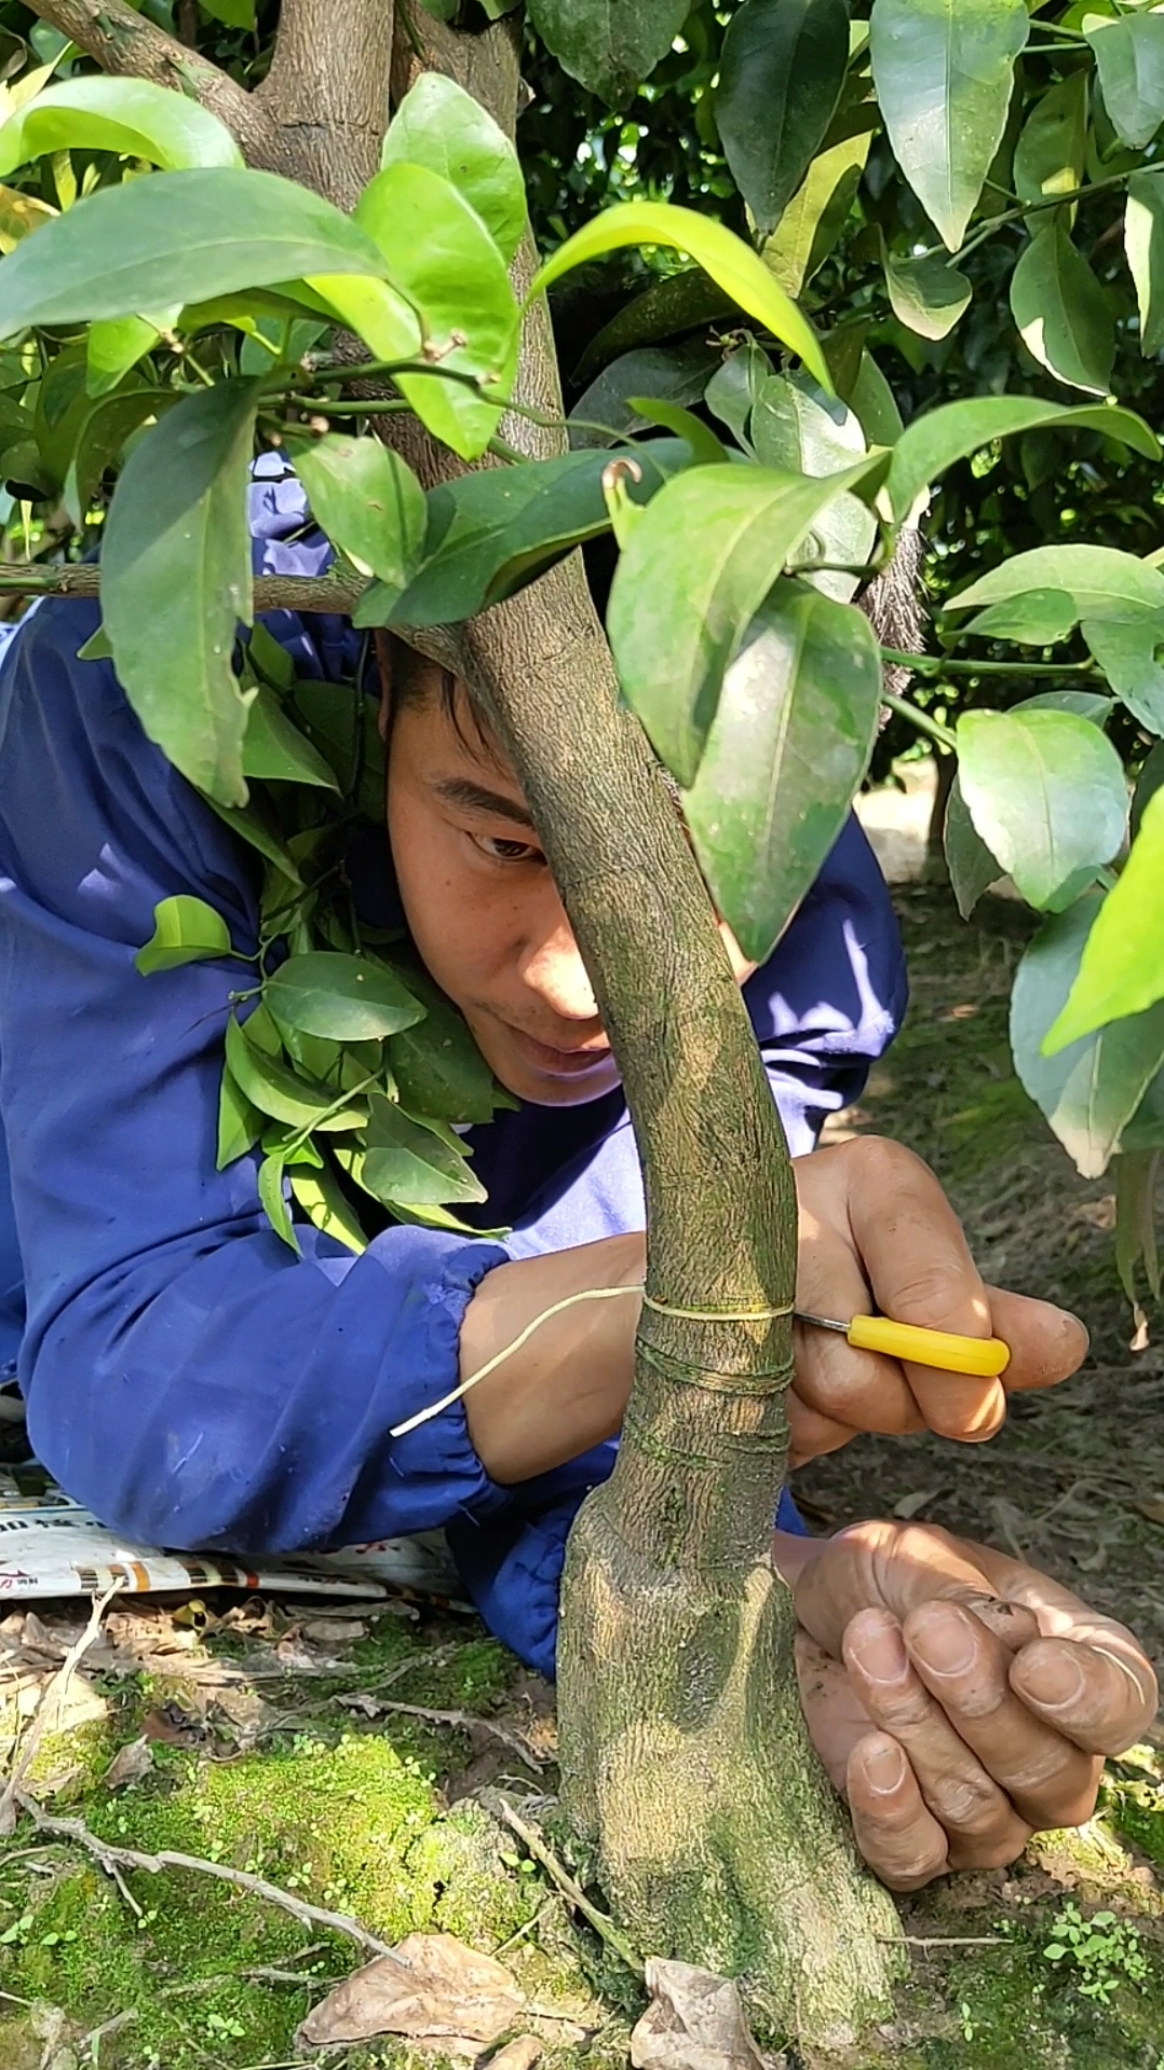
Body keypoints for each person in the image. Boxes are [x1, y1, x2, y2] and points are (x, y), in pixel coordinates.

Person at [0, 470, 1154, 1894]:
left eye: (709, 866)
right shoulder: (155, 668)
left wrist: (768, 1595)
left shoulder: (814, 967)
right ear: (380, 673)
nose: (574, 983)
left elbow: (559, 1424)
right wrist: (698, 1290)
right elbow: (148, 1362)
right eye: (505, 839)